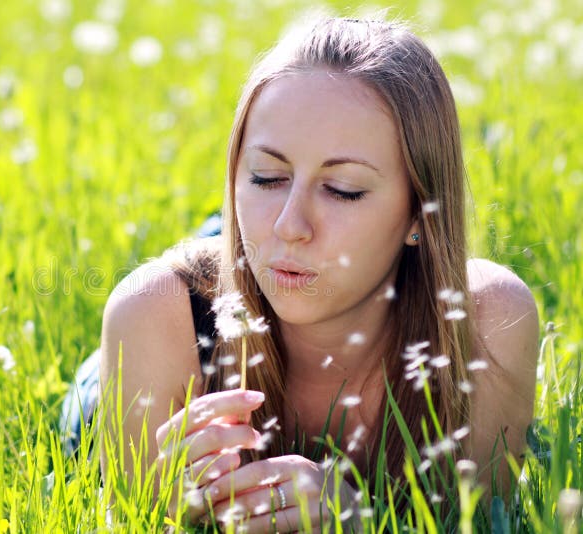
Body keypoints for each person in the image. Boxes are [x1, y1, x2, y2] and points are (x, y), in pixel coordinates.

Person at [60, 15, 539, 532]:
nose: (292, 226)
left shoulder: (485, 321)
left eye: (344, 190)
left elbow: (481, 518)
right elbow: (135, 518)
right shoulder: (155, 313)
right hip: (195, 315)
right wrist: (175, 510)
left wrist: (360, 521)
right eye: (266, 177)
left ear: (418, 213)